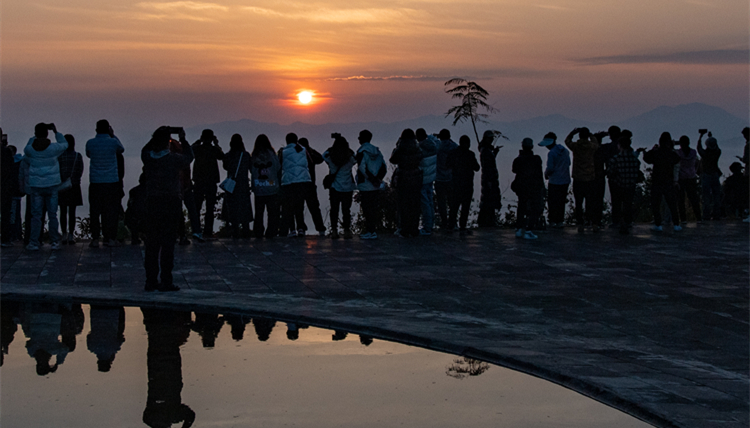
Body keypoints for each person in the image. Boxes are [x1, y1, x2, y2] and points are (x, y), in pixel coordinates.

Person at [140, 127, 193, 292]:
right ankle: (166, 281)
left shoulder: (148, 158)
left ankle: (150, 281)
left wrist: (159, 132)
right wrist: (183, 139)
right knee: (168, 244)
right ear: (168, 143)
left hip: (153, 203)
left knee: (152, 244)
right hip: (171, 203)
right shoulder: (174, 159)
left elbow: (145, 149)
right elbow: (189, 156)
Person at [23, 123, 68, 251]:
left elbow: (27, 147)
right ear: (47, 133)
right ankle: (54, 241)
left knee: (36, 215)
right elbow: (65, 144)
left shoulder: (30, 149)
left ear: (36, 133)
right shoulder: (53, 148)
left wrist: (35, 137)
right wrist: (56, 132)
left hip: (36, 185)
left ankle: (34, 242)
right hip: (52, 184)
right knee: (52, 214)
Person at [86, 120, 125, 248]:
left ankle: (96, 238)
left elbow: (88, 154)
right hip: (111, 182)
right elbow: (121, 149)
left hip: (96, 181)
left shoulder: (90, 143)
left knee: (95, 211)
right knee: (111, 211)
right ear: (108, 129)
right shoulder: (113, 142)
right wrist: (113, 135)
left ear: (96, 129)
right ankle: (110, 237)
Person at [644, 132, 682, 232]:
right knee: (672, 203)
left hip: (657, 181)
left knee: (656, 203)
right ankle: (676, 224)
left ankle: (658, 224)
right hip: (668, 181)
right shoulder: (671, 154)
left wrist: (653, 149)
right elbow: (677, 159)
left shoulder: (656, 153)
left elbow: (646, 158)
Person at [565, 127, 600, 233]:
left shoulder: (576, 146)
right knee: (591, 202)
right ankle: (594, 223)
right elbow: (596, 142)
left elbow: (567, 141)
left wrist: (572, 133)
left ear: (579, 136)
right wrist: (591, 135)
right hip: (590, 178)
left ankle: (580, 223)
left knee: (579, 203)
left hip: (578, 178)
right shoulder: (592, 146)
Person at [389, 129, 423, 237]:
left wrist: (397, 146)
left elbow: (393, 160)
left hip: (403, 177)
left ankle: (404, 229)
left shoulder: (400, 148)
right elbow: (421, 158)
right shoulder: (417, 148)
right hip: (416, 178)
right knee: (415, 204)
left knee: (403, 204)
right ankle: (414, 229)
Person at [191, 129, 224, 240]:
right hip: (211, 181)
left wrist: (198, 141)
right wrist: (217, 144)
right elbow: (222, 156)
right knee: (210, 207)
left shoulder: (197, 149)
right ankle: (208, 231)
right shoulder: (214, 149)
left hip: (199, 181)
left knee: (197, 207)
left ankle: (196, 230)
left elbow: (188, 151)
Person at [323, 134, 356, 239]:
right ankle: (347, 231)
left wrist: (331, 148)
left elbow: (323, 155)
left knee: (334, 210)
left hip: (334, 187)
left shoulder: (331, 158)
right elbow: (355, 157)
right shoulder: (350, 159)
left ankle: (334, 231)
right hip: (347, 187)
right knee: (346, 210)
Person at [355, 130, 386, 239]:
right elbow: (384, 167)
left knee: (367, 208)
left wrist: (371, 178)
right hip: (375, 185)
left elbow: (362, 168)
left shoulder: (361, 152)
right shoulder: (377, 151)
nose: (358, 139)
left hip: (365, 184)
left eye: (359, 137)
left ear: (362, 139)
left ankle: (370, 231)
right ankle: (373, 230)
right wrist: (378, 179)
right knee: (373, 208)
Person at [607, 134, 641, 234]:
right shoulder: (635, 159)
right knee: (628, 204)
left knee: (616, 204)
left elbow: (610, 172)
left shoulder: (615, 159)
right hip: (630, 185)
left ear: (620, 145)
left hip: (618, 185)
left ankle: (616, 222)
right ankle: (628, 221)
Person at [511, 138, 545, 240]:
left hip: (522, 186)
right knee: (534, 208)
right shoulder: (536, 159)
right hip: (534, 186)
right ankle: (528, 229)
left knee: (521, 206)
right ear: (532, 147)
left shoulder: (518, 160)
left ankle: (519, 228)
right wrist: (542, 187)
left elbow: (514, 170)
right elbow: (539, 174)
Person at [278, 133, 311, 237]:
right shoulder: (303, 149)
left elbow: (279, 165)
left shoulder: (283, 151)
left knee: (289, 207)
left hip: (288, 182)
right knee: (299, 206)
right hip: (302, 181)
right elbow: (311, 162)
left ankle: (292, 230)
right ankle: (301, 228)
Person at [446, 135, 480, 235]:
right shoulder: (470, 154)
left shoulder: (453, 154)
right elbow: (477, 168)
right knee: (465, 207)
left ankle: (451, 226)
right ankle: (462, 226)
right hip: (468, 184)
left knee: (454, 206)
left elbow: (447, 165)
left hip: (455, 183)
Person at [222, 134, 253, 239]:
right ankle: (246, 232)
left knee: (232, 210)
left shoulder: (227, 156)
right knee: (244, 210)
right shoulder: (246, 156)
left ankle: (235, 232)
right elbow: (250, 168)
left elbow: (226, 167)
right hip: (243, 185)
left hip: (231, 186)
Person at [251, 134, 281, 239]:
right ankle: (271, 231)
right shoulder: (272, 155)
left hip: (258, 187)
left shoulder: (254, 155)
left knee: (259, 212)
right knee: (272, 211)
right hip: (272, 186)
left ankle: (258, 231)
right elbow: (278, 168)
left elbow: (251, 169)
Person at [539, 132, 570, 228]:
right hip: (565, 180)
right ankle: (560, 221)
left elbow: (550, 168)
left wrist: (546, 174)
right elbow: (568, 163)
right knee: (561, 201)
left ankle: (552, 220)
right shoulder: (565, 150)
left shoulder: (551, 153)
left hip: (554, 181)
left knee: (552, 201)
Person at [57, 134, 84, 245]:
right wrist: (74, 180)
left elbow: (57, 171)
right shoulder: (78, 156)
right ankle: (71, 235)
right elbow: (80, 171)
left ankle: (63, 234)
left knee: (63, 211)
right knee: (72, 211)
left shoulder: (60, 156)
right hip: (74, 186)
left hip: (62, 186)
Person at [297, 137, 327, 236]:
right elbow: (320, 158)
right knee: (314, 208)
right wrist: (310, 150)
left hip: (299, 185)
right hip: (310, 185)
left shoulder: (297, 155)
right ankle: (320, 228)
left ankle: (301, 228)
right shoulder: (311, 155)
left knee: (299, 207)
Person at [595, 126, 621, 228]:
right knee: (624, 199)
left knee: (616, 199)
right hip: (624, 176)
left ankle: (616, 221)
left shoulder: (609, 147)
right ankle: (625, 220)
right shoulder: (623, 145)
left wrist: (598, 137)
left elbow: (598, 149)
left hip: (613, 176)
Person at [477, 130, 503, 227]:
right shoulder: (486, 151)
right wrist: (489, 181)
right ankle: (487, 221)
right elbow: (487, 167)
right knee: (489, 199)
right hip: (489, 179)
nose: (492, 140)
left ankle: (487, 220)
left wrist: (494, 154)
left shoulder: (485, 150)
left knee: (489, 200)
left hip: (489, 179)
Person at [675, 135, 702, 224]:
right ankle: (698, 218)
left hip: (681, 178)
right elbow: (696, 164)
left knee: (681, 199)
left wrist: (673, 143)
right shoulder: (693, 152)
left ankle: (683, 219)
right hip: (691, 177)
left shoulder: (678, 153)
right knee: (694, 198)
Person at [435, 129, 458, 230]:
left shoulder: (437, 146)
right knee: (452, 201)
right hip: (450, 177)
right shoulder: (454, 147)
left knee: (441, 203)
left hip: (439, 178)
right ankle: (453, 223)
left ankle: (444, 222)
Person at [416, 128, 438, 235]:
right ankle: (430, 225)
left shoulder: (421, 148)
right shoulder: (433, 145)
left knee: (424, 203)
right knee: (430, 202)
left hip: (423, 178)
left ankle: (427, 227)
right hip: (431, 178)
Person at [697, 131, 722, 220]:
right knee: (716, 195)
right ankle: (716, 214)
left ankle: (706, 214)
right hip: (715, 174)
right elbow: (717, 148)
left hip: (706, 175)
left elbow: (699, 148)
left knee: (706, 196)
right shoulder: (718, 152)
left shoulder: (705, 154)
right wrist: (711, 137)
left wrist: (700, 137)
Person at [1, 129, 15, 247]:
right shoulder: (6, 152)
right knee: (5, 214)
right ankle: (5, 238)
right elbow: (10, 169)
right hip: (4, 187)